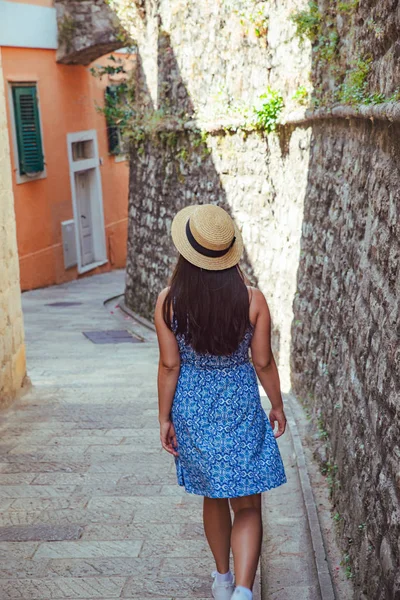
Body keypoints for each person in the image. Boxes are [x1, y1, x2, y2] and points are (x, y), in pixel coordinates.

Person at [154, 204, 287, 600]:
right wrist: (276, 405)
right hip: (240, 405)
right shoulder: (253, 299)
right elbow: (262, 360)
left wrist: (164, 417)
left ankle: (223, 579)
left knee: (214, 494)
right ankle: (245, 591)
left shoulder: (168, 302)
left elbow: (168, 365)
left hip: (192, 408)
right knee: (247, 504)